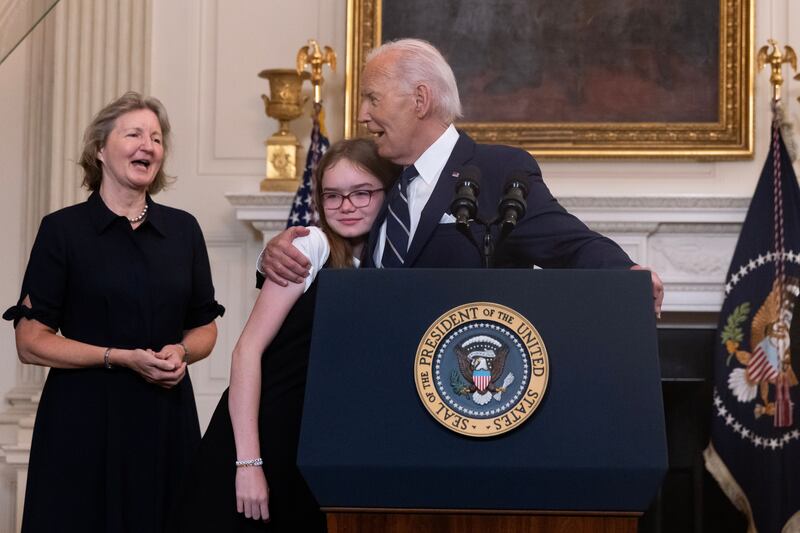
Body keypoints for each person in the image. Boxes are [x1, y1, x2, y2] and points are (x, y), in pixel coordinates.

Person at [260, 38, 664, 314]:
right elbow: (340, 246)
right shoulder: (386, 181)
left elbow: (566, 242)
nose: (363, 114)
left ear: (420, 99)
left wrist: (626, 274)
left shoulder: (496, 171)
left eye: (372, 98)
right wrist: (274, 252)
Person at [2, 91, 224, 533]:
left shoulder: (183, 230)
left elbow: (205, 327)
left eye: (157, 138)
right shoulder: (62, 231)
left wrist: (181, 351)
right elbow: (30, 343)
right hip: (82, 423)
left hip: (164, 421)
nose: (149, 145)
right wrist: (119, 357)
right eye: (135, 134)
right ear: (100, 150)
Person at [172, 138, 398, 532]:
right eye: (333, 195)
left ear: (386, 192)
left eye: (361, 193)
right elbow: (246, 351)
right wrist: (247, 464)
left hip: (308, 448)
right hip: (259, 440)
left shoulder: (381, 263)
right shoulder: (311, 247)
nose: (346, 206)